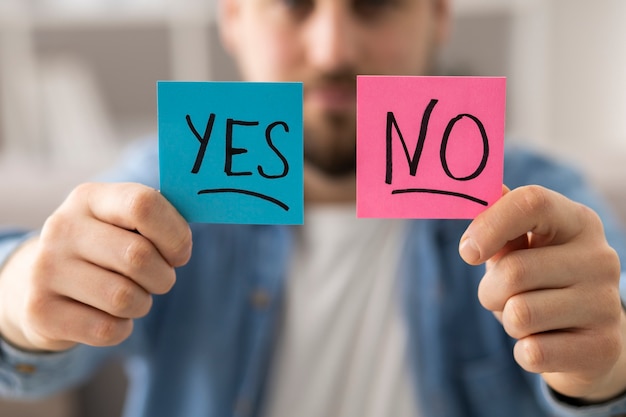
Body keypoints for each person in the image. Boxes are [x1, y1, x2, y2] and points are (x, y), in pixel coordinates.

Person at [1, 0, 626, 416]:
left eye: (374, 3)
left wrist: (605, 367)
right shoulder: (162, 187)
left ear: (437, 15)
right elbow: (34, 349)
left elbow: (612, 321)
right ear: (234, 17)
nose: (331, 50)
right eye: (294, 5)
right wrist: (20, 301)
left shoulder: (536, 201)